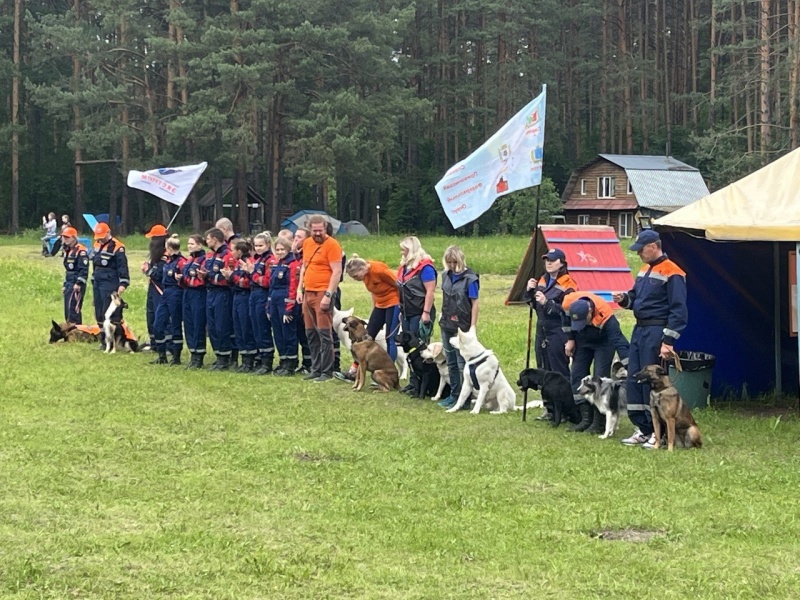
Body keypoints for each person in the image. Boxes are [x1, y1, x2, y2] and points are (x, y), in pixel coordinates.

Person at [613, 229, 688, 449]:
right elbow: (635, 298)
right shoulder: (644, 270)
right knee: (634, 377)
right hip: (639, 329)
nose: (638, 255)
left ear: (653, 246)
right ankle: (643, 429)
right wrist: (624, 299)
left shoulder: (674, 272)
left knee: (652, 382)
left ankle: (661, 433)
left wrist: (668, 342)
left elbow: (679, 311)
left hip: (656, 330)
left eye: (641, 250)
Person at [562, 292, 630, 432]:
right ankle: (585, 418)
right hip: (582, 339)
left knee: (599, 379)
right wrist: (570, 338)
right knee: (577, 374)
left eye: (583, 320)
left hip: (603, 343)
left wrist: (629, 365)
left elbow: (619, 341)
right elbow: (565, 321)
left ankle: (599, 422)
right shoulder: (568, 303)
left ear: (590, 312)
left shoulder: (605, 315)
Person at [524, 248, 578, 420]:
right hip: (542, 329)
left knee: (559, 371)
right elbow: (533, 304)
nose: (548, 262)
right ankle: (549, 409)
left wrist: (548, 303)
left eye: (553, 260)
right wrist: (529, 291)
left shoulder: (569, 284)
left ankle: (567, 410)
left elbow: (567, 310)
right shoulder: (542, 279)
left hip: (558, 330)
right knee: (543, 371)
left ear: (562, 263)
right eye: (546, 259)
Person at [296, 215, 343, 382]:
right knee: (310, 333)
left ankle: (327, 371)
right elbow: (304, 267)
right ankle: (315, 368)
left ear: (325, 229)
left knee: (324, 333)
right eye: (314, 230)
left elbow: (336, 271)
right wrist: (299, 289)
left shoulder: (332, 245)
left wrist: (329, 295)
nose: (317, 234)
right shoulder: (307, 243)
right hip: (307, 291)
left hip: (323, 292)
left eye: (320, 230)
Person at [438, 245, 480, 409]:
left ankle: (465, 399)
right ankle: (454, 394)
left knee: (462, 362)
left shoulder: (470, 279)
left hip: (462, 325)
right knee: (451, 361)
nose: (452, 266)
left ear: (460, 260)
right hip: (447, 323)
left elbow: (474, 303)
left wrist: (472, 326)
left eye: (454, 262)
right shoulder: (445, 275)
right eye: (449, 262)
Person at [396, 236, 437, 394]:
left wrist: (425, 313)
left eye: (404, 249)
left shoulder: (425, 267)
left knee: (419, 348)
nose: (402, 252)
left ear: (411, 249)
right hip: (406, 312)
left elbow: (430, 291)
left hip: (420, 312)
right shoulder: (404, 267)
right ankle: (414, 383)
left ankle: (425, 384)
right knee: (409, 349)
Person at [344, 255, 401, 361]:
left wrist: (401, 305)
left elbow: (399, 285)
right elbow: (373, 292)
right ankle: (356, 368)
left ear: (362, 269)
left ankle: (389, 369)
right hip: (380, 304)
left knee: (390, 337)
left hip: (393, 303)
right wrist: (374, 309)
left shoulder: (379, 270)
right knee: (367, 335)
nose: (356, 279)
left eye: (356, 276)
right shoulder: (365, 275)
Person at [201, 228, 237, 370]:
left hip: (222, 293)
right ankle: (218, 356)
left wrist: (210, 277)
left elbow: (227, 278)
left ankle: (226, 358)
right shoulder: (209, 255)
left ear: (215, 239)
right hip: (210, 292)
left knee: (222, 326)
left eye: (208, 239)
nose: (207, 242)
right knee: (213, 326)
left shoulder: (228, 255)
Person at [91, 222, 129, 347]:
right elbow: (95, 263)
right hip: (97, 280)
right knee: (98, 311)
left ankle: (113, 341)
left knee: (108, 312)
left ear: (108, 233)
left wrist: (123, 283)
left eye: (102, 236)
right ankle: (103, 339)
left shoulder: (118, 247)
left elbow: (122, 267)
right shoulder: (97, 244)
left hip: (110, 282)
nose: (100, 239)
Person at [151, 234, 187, 365]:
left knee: (175, 324)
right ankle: (162, 355)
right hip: (165, 293)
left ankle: (176, 356)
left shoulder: (181, 261)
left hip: (176, 293)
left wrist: (181, 279)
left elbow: (187, 278)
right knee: (158, 324)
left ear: (169, 248)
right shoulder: (168, 261)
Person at [269, 236, 302, 376]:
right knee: (278, 333)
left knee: (288, 333)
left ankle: (290, 363)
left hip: (285, 302)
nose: (280, 252)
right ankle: (283, 360)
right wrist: (268, 306)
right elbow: (272, 286)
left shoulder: (293, 264)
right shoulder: (276, 264)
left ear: (288, 249)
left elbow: (293, 287)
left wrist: (289, 309)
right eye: (277, 249)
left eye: (282, 249)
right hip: (275, 301)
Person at [224, 239, 258, 373]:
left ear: (239, 251)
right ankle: (244, 359)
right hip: (237, 297)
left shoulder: (249, 262)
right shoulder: (238, 263)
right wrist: (229, 277)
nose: (231, 253)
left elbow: (247, 282)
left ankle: (250, 360)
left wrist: (233, 277)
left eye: (233, 250)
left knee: (246, 328)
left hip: (245, 297)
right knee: (238, 329)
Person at [246, 232, 277, 375]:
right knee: (255, 327)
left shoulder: (270, 260)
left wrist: (253, 274)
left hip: (263, 295)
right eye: (256, 245)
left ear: (268, 245)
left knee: (263, 327)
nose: (258, 248)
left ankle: (267, 361)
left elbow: (267, 281)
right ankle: (260, 358)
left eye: (261, 245)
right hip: (253, 294)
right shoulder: (257, 259)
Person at [179, 234, 207, 369]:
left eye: (192, 244)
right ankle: (192, 353)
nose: (189, 246)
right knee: (188, 323)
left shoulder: (204, 259)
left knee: (197, 324)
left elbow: (202, 279)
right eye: (188, 244)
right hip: (187, 293)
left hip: (198, 294)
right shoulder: (189, 259)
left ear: (200, 245)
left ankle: (199, 357)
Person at [143, 224, 169, 350]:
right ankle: (154, 343)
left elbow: (159, 274)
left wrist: (148, 271)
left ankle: (167, 345)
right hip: (152, 289)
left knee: (162, 316)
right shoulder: (156, 256)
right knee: (151, 314)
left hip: (161, 289)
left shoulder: (166, 255)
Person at [292, 227, 312, 373]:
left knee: (308, 331)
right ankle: (305, 362)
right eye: (294, 236)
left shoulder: (309, 255)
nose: (295, 239)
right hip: (296, 297)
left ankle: (311, 363)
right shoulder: (295, 256)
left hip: (309, 295)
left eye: (299, 237)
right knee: (299, 330)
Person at [61, 226, 89, 324]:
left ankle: (76, 331)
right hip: (69, 282)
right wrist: (65, 285)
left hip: (76, 283)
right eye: (64, 237)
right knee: (67, 309)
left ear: (74, 237)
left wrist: (79, 283)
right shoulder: (67, 250)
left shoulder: (81, 251)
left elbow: (83, 269)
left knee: (74, 308)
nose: (65, 239)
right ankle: (69, 331)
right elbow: (68, 270)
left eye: (67, 237)